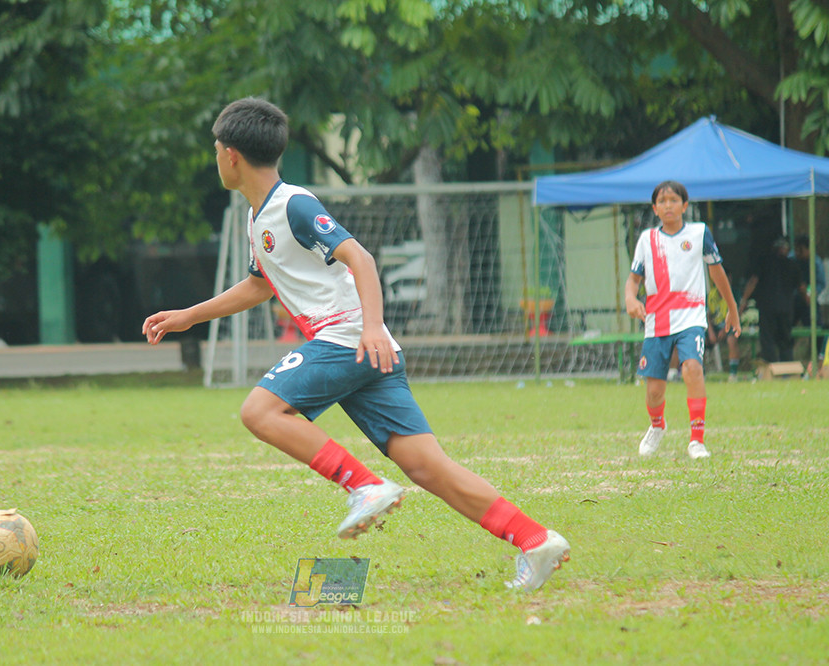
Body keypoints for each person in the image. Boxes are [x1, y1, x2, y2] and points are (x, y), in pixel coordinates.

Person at [142, 97, 569, 591]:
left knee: (260, 412)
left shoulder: (293, 204)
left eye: (216, 149)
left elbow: (360, 258)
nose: (215, 158)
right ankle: (535, 540)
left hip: (348, 338)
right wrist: (188, 317)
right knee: (427, 467)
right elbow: (261, 284)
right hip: (364, 347)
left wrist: (370, 326)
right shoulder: (259, 217)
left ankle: (364, 485)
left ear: (231, 155)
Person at [624, 180, 740, 460]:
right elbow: (634, 280)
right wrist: (630, 299)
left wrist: (732, 308)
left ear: (685, 206)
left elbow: (717, 271)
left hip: (691, 318)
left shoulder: (699, 233)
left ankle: (696, 439)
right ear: (655, 208)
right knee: (654, 391)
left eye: (674, 200)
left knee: (692, 369)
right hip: (657, 322)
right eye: (662, 201)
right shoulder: (647, 240)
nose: (668, 205)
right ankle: (657, 425)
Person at [738, 236, 801, 363]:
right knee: (785, 338)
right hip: (786, 308)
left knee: (768, 339)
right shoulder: (792, 265)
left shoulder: (764, 262)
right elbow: (801, 287)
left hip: (768, 307)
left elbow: (753, 281)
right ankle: (787, 367)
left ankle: (771, 366)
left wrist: (743, 301)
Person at [793, 235, 826, 362]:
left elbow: (821, 283)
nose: (797, 253)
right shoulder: (793, 260)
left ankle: (819, 358)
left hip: (810, 302)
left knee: (817, 328)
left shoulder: (816, 262)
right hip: (795, 300)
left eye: (800, 249)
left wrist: (810, 293)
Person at [706, 277, 740, 381]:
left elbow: (735, 313)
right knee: (700, 339)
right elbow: (707, 315)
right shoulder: (711, 295)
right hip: (714, 326)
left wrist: (725, 330)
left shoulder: (733, 294)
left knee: (732, 340)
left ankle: (733, 374)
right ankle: (701, 373)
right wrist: (711, 332)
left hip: (728, 325)